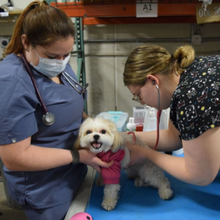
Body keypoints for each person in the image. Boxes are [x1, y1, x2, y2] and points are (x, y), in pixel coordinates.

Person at [0, 1, 112, 219]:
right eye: (53, 56)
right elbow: (15, 157)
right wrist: (79, 156)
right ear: (26, 42)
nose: (61, 62)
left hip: (76, 170)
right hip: (44, 188)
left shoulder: (60, 63)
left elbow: (70, 104)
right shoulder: (12, 80)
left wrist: (98, 130)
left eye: (67, 54)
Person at [123, 44, 220, 187]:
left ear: (153, 81)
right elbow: (173, 136)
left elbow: (200, 175)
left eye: (139, 95)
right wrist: (123, 138)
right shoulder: (188, 73)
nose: (142, 102)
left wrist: (146, 154)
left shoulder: (191, 97)